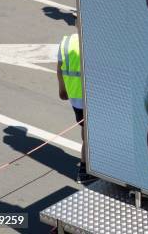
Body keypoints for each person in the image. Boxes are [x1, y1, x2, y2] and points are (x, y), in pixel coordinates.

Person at [57, 33, 96, 184]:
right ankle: (85, 170)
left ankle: (87, 167)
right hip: (91, 98)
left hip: (76, 99)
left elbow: (60, 69)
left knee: (86, 131)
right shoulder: (94, 39)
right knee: (89, 135)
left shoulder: (67, 41)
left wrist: (62, 90)